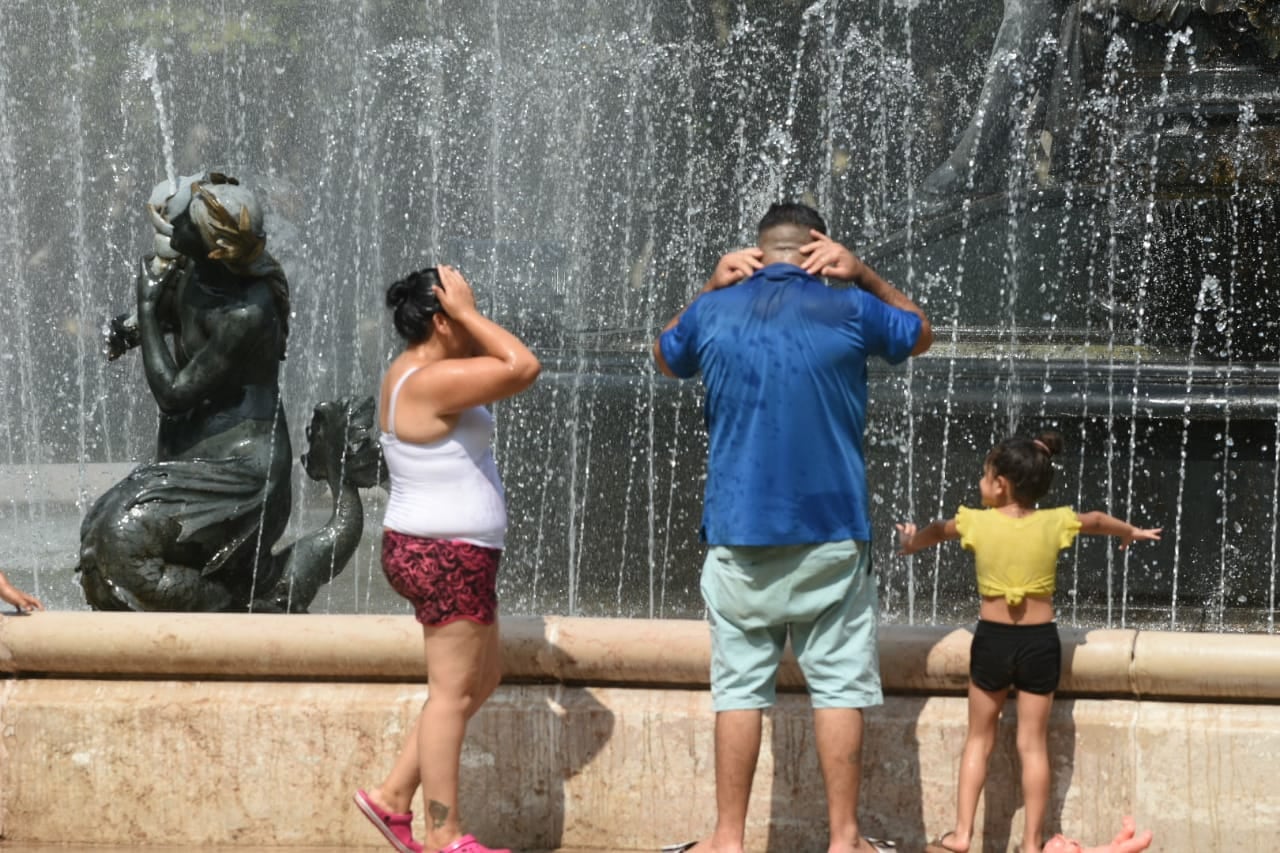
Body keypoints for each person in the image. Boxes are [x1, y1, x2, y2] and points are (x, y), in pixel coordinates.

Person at [653, 201, 933, 853]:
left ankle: (727, 840)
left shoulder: (714, 311)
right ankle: (844, 840)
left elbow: (667, 357)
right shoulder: (852, 307)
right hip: (832, 530)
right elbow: (920, 332)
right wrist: (863, 272)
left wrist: (708, 284)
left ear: (758, 249)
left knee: (739, 690)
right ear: (818, 246)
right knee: (837, 685)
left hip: (737, 530)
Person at [897, 430, 1161, 853]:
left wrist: (910, 544)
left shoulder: (976, 521)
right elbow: (1094, 519)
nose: (980, 484)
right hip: (1040, 643)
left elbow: (936, 530)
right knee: (1032, 744)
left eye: (985, 476)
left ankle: (962, 835)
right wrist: (1129, 531)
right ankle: (1033, 842)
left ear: (1001, 483)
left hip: (993, 641)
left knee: (979, 739)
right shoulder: (1054, 521)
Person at [355, 265, 540, 853]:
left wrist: (463, 314)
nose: (472, 319)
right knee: (451, 694)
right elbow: (523, 366)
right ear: (441, 319)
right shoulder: (427, 381)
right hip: (443, 552)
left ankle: (390, 797)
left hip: (451, 551)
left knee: (480, 680)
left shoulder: (425, 373)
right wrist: (469, 316)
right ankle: (443, 835)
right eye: (460, 311)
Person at [79, 172, 295, 612]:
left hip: (244, 474)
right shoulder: (196, 271)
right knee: (97, 534)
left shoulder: (248, 312)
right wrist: (129, 328)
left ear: (216, 248)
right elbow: (168, 318)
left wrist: (147, 305)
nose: (172, 228)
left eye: (183, 226)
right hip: (195, 456)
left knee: (119, 541)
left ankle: (236, 606)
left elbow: (174, 394)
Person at [1044, 816, 1153, 853]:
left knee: (1118, 842)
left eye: (1065, 840)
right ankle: (1142, 842)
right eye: (1064, 846)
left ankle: (1128, 830)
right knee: (1121, 849)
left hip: (1111, 848)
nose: (1069, 842)